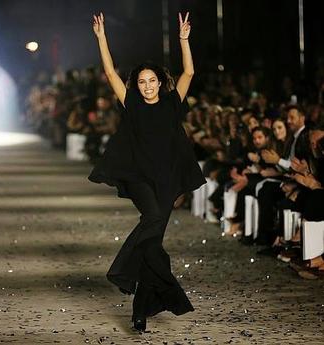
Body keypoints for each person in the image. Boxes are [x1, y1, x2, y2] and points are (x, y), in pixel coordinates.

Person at [87, 12, 206, 332]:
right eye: (142, 81)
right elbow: (110, 71)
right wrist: (102, 39)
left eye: (152, 80)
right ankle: (133, 277)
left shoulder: (171, 102)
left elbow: (190, 70)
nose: (148, 85)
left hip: (167, 179)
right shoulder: (132, 103)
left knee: (152, 244)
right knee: (152, 219)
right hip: (139, 177)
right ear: (136, 85)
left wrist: (184, 40)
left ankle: (139, 312)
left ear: (160, 82)